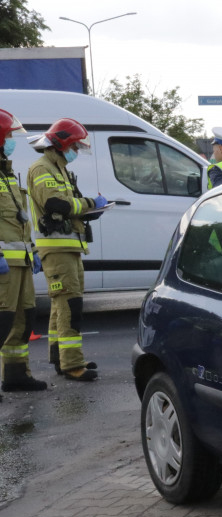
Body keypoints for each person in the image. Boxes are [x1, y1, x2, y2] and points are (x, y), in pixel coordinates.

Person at [27, 118, 106, 382]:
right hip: (57, 249)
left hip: (69, 247)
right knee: (70, 305)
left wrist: (90, 211)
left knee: (61, 306)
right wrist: (90, 202)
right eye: (75, 147)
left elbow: (69, 206)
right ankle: (72, 364)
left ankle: (60, 359)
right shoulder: (42, 168)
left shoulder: (58, 169)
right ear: (63, 144)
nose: (76, 152)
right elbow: (55, 204)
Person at [0, 108, 46, 395]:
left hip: (22, 263)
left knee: (22, 319)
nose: (12, 142)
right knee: (2, 321)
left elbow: (20, 221)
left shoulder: (7, 174)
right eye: (8, 137)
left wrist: (34, 251)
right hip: (4, 265)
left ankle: (16, 376)